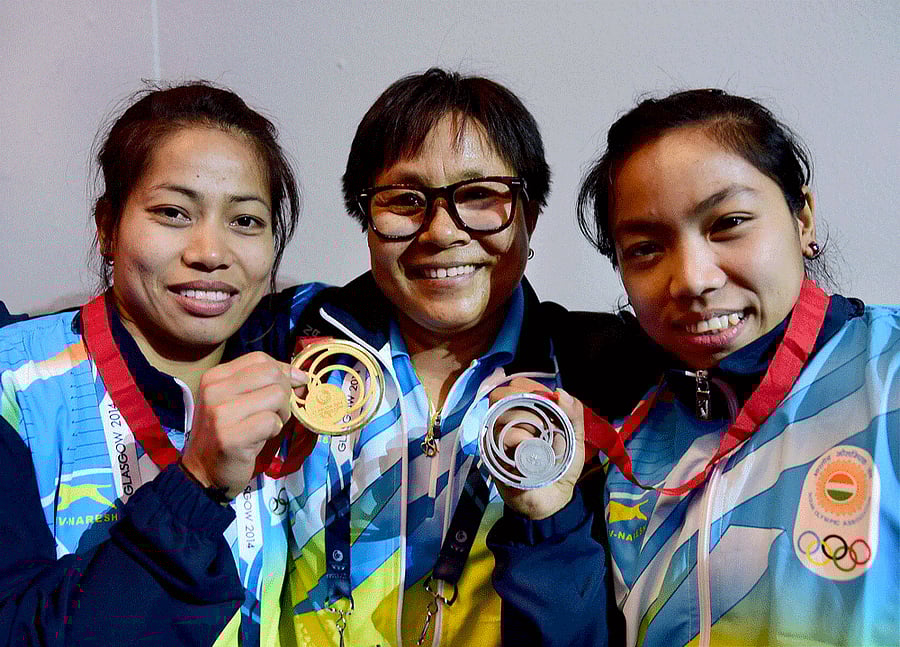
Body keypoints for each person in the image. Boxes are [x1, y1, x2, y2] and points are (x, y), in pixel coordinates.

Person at [487, 89, 899, 646]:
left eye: (728, 223)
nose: (693, 280)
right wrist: (549, 523)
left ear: (802, 218)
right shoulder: (627, 442)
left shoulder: (888, 379)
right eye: (646, 249)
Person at [274, 68, 651, 646]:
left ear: (531, 213)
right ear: (365, 218)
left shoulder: (604, 373)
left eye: (479, 196)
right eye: (405, 200)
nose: (442, 232)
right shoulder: (287, 344)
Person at [0, 82, 313, 646]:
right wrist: (195, 487)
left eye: (245, 221)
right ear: (107, 226)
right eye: (173, 212)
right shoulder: (14, 387)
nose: (210, 252)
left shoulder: (307, 378)